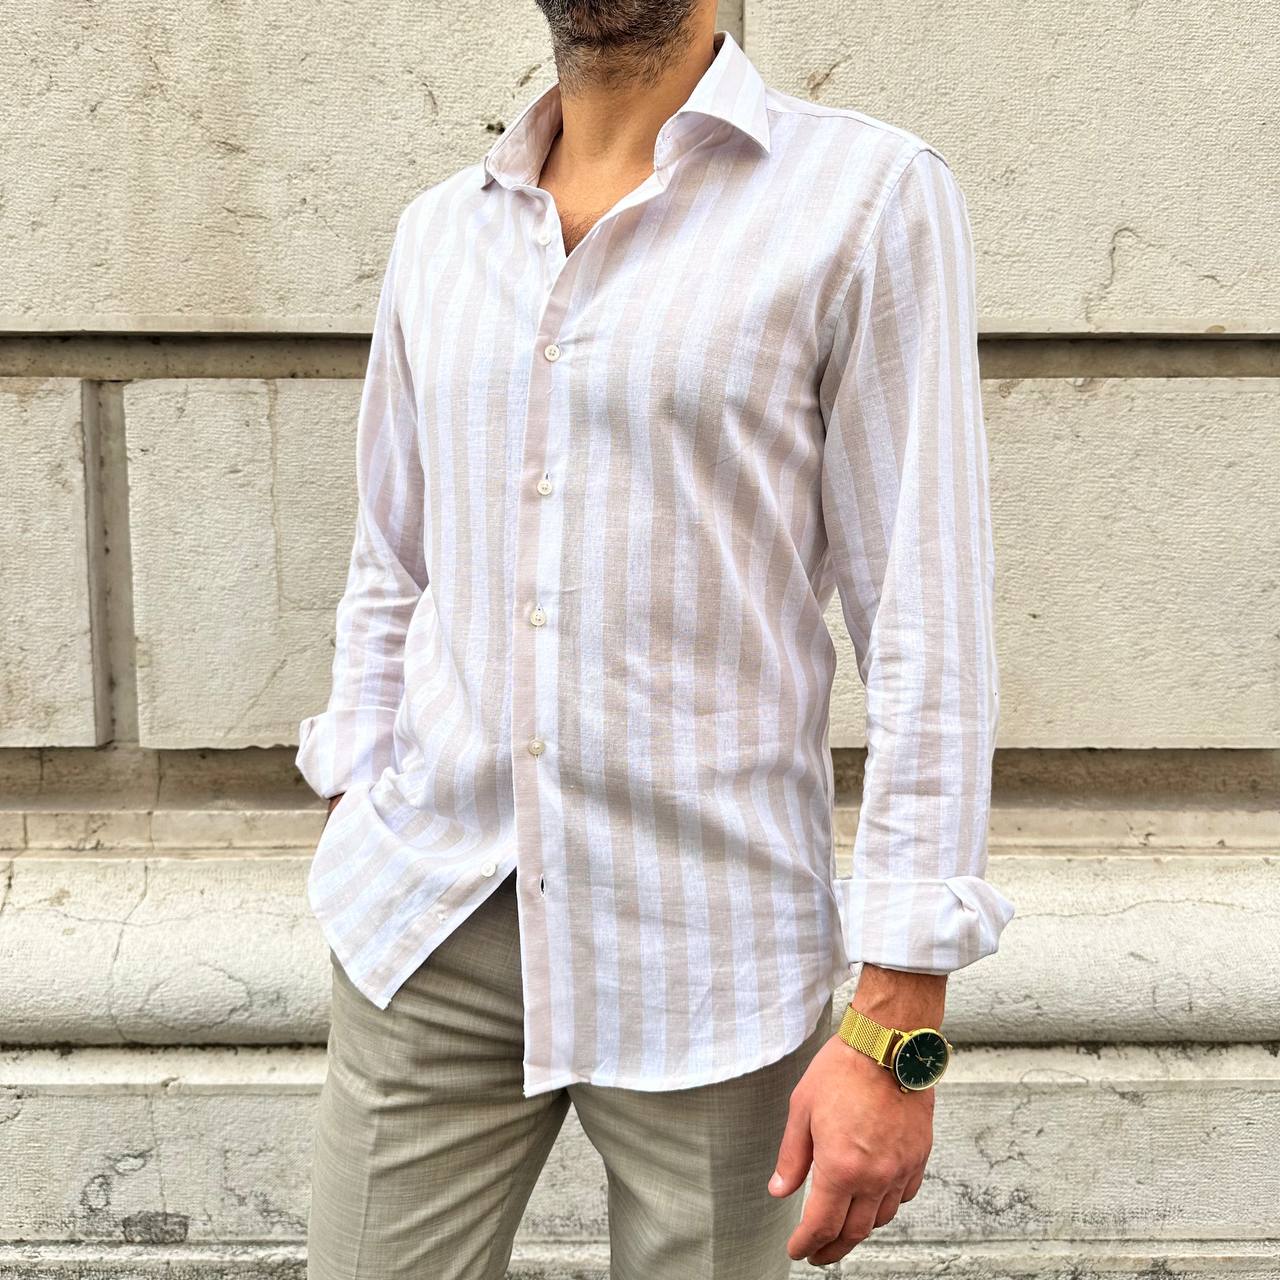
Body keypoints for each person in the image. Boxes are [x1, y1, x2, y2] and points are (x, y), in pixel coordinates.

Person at [295, 2, 1014, 1276]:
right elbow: (390, 562)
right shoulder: (440, 232)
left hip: (711, 950)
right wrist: (359, 790)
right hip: (433, 920)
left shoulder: (865, 199)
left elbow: (924, 619)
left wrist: (896, 1018)